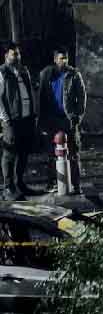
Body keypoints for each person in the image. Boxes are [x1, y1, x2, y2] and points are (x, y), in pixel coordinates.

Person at [38, 48, 87, 194]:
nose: (64, 61)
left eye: (66, 58)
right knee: (51, 154)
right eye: (61, 58)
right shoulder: (46, 74)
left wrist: (77, 117)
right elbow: (41, 99)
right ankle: (52, 182)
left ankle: (76, 184)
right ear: (55, 59)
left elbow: (82, 97)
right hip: (51, 120)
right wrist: (42, 121)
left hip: (68, 120)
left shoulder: (74, 74)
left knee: (73, 153)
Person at [0, 43, 37, 200]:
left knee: (23, 152)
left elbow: (30, 92)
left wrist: (33, 113)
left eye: (18, 54)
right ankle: (8, 188)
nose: (17, 57)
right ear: (6, 56)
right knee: (9, 154)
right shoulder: (2, 72)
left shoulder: (23, 71)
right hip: (12, 120)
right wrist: (5, 118)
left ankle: (19, 184)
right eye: (14, 54)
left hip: (26, 118)